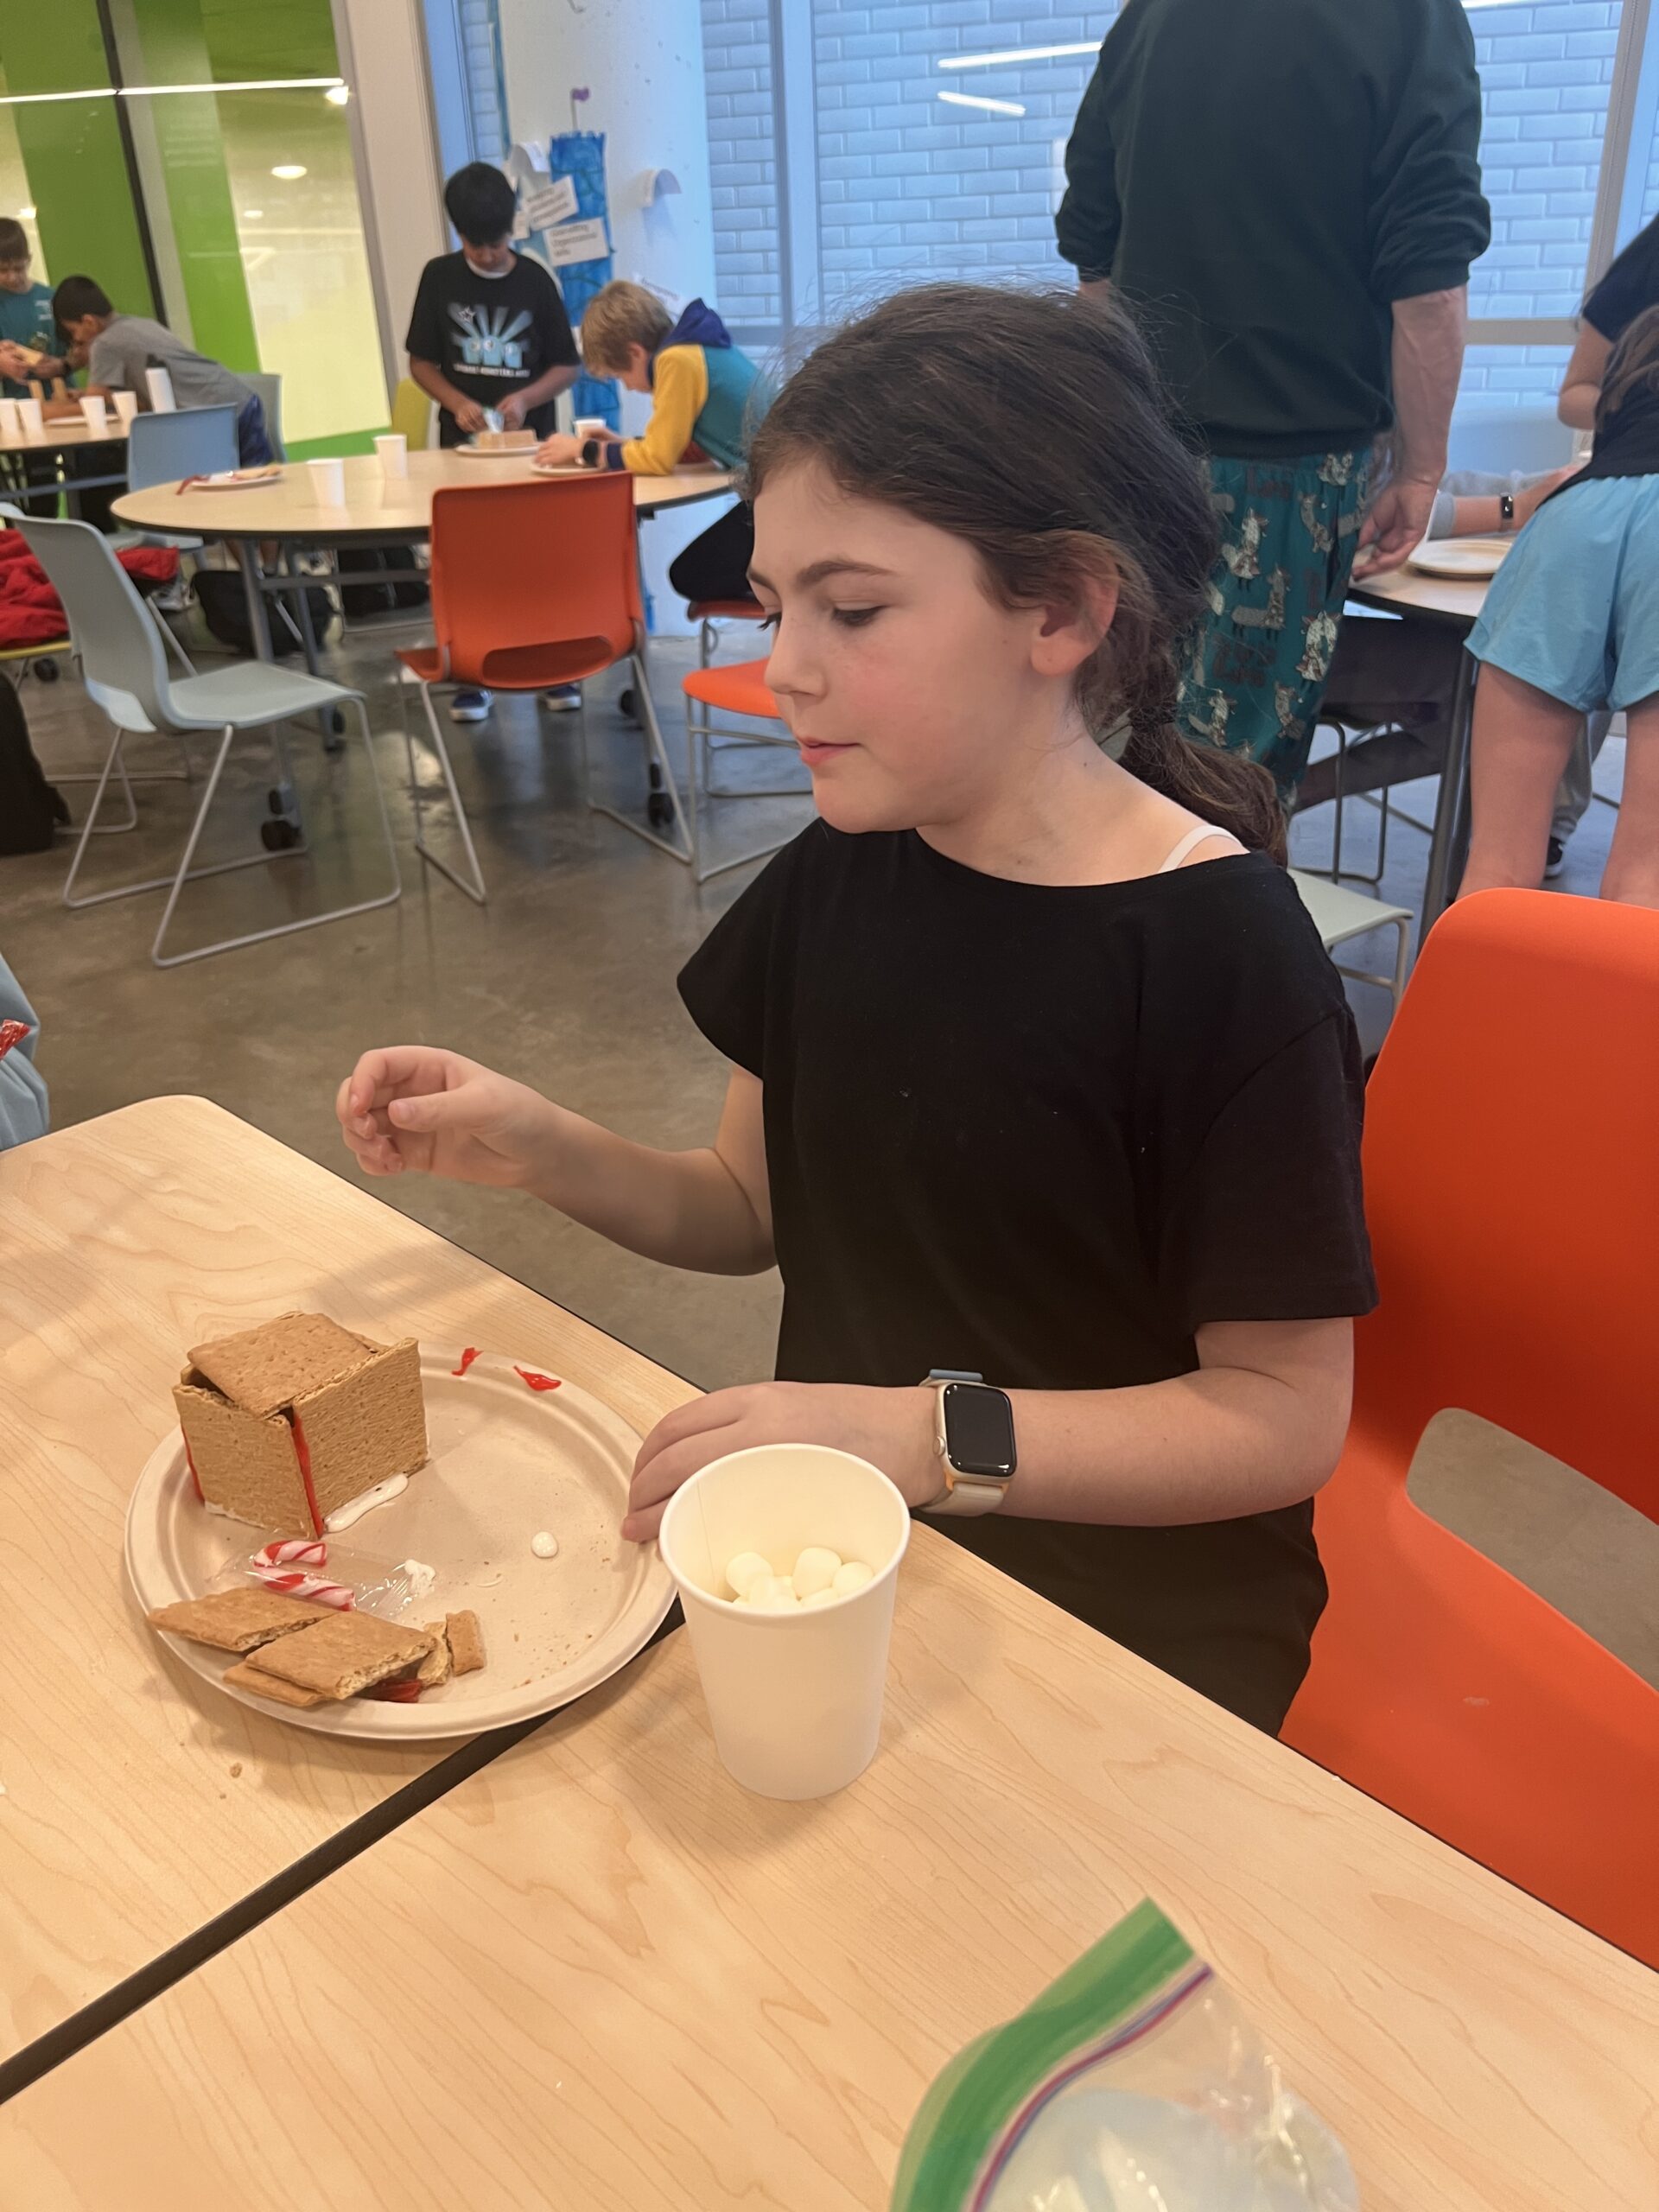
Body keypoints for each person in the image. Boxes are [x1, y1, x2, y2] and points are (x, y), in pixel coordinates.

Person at [337, 285, 1376, 1736]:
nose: (788, 666)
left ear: (1064, 608)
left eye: (855, 607)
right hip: (843, 1561)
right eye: (774, 608)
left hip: (1131, 1638)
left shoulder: (1221, 952)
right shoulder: (843, 869)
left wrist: (918, 1437)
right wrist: (536, 1142)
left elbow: (1278, 1419)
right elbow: (743, 1208)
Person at [1056, 0, 1490, 799]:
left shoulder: (1150, 16)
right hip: (1287, 464)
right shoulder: (1405, 16)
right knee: (1227, 784)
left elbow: (1094, 256)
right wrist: (1422, 469)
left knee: (1107, 754)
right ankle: (1202, 922)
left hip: (1134, 452)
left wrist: (1111, 432)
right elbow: (1429, 278)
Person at [1459, 305, 1659, 909]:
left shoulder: (1644, 321)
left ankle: (1470, 1004)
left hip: (1574, 514)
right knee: (1645, 876)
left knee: (1496, 868)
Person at [406, 161, 582, 724]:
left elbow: (567, 366)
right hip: (460, 450)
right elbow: (421, 362)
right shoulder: (438, 277)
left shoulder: (535, 280)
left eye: (496, 241)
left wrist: (528, 397)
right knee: (467, 560)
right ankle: (473, 674)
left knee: (541, 554)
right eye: (474, 243)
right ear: (457, 233)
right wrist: (455, 401)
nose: (486, 254)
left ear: (513, 228)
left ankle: (555, 661)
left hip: (534, 448)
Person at [540, 279, 769, 605]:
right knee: (695, 573)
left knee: (690, 576)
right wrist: (620, 446)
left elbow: (659, 458)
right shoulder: (696, 345)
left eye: (621, 376)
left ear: (635, 352)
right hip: (784, 485)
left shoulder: (675, 361)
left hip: (782, 495)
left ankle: (786, 599)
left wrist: (585, 450)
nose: (630, 388)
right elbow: (677, 448)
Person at [50, 276, 273, 469]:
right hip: (240, 401)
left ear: (89, 322)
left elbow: (93, 405)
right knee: (255, 486)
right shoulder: (141, 324)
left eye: (73, 331)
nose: (77, 340)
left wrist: (46, 412)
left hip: (213, 417)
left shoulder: (104, 344)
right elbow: (132, 397)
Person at [0, 219, 69, 397]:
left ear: (29, 260)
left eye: (18, 268)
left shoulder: (53, 297)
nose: (12, 277)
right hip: (21, 401)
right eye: (2, 271)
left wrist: (61, 364)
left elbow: (81, 352)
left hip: (63, 396)